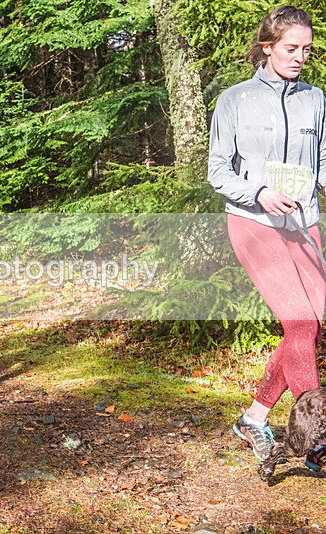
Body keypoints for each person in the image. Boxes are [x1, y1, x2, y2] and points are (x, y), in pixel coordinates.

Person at [208, 6, 326, 468]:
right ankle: (317, 437)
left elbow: (322, 162)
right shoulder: (235, 99)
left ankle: (254, 417)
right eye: (291, 48)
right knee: (300, 324)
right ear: (267, 47)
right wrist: (259, 192)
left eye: (307, 50)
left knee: (312, 325)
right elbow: (218, 171)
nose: (300, 57)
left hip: (303, 224)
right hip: (253, 222)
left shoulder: (316, 98)